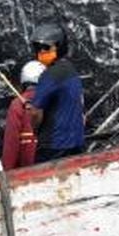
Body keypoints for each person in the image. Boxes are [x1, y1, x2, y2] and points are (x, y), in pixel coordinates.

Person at [25, 22, 85, 161]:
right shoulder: (70, 69)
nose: (41, 51)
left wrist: (35, 127)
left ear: (59, 47)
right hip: (76, 143)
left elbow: (35, 113)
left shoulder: (50, 75)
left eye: (46, 47)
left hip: (54, 146)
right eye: (38, 47)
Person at [1, 60, 45, 170]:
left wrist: (7, 171)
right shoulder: (54, 100)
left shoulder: (17, 104)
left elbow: (11, 143)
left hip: (27, 172)